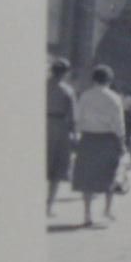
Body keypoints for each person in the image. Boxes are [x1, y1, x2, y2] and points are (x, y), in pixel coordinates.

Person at [72, 65, 126, 226]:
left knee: (86, 177)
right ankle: (107, 210)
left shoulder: (84, 96)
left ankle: (87, 214)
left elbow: (77, 119)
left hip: (88, 139)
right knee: (109, 174)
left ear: (93, 79)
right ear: (109, 80)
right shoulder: (114, 98)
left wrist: (78, 135)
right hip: (108, 139)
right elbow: (119, 124)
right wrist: (122, 143)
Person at [46, 57, 76, 217]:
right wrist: (74, 135)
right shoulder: (67, 91)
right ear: (65, 73)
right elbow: (72, 117)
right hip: (59, 128)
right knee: (56, 170)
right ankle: (49, 206)